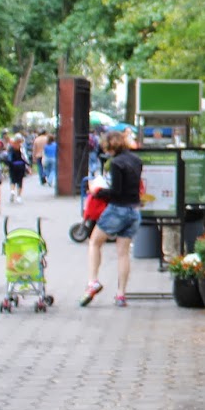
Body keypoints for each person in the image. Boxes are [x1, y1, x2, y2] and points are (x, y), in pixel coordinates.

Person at [83, 127, 142, 308]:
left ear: (110, 146)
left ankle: (93, 281)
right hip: (134, 210)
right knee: (123, 253)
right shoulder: (136, 160)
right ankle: (121, 295)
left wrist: (97, 191)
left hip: (118, 209)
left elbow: (116, 192)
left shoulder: (116, 163)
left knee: (94, 241)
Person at [6, 134, 29, 203]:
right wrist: (28, 166)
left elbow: (8, 156)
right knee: (20, 181)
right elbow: (25, 157)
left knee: (12, 180)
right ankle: (18, 197)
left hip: (12, 165)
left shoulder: (10, 147)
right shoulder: (22, 147)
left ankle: (12, 191)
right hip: (21, 166)